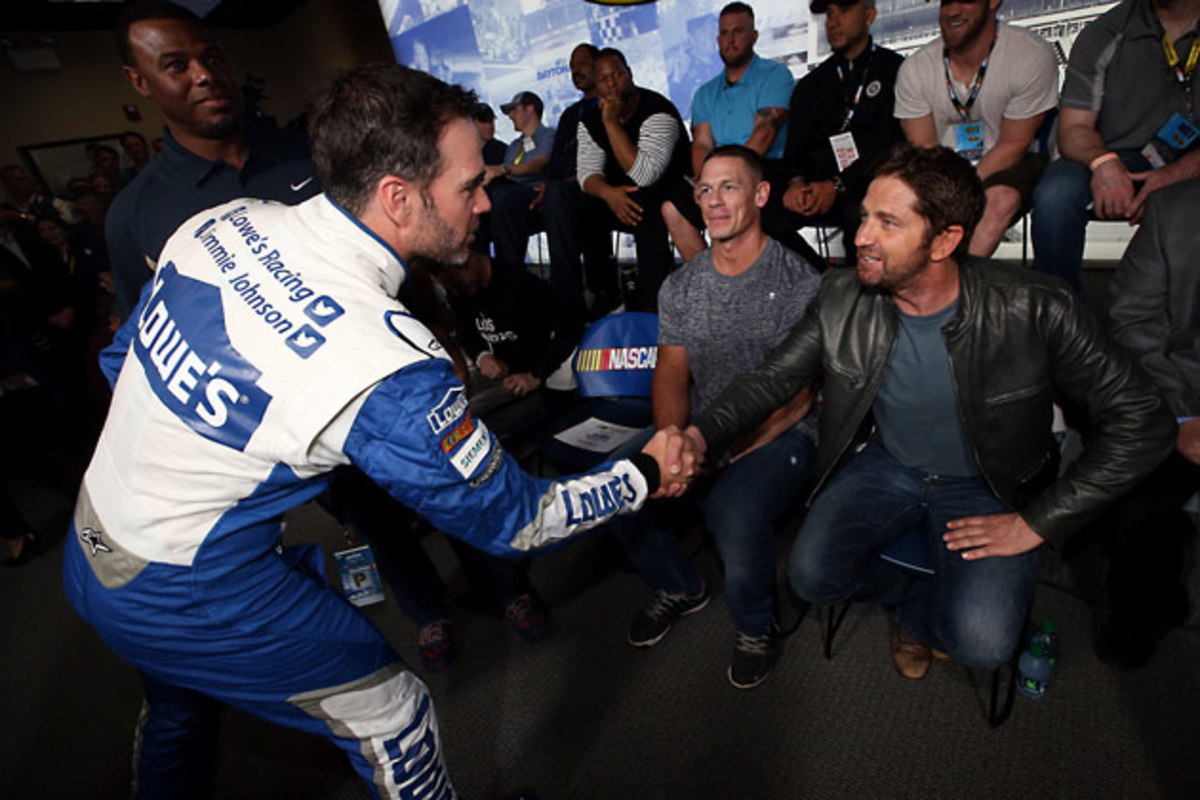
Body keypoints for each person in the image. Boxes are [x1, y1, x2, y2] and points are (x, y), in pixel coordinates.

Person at [62, 63, 680, 799]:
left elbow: (122, 358)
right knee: (395, 713)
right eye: (469, 187)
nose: (487, 203)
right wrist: (643, 471)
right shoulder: (388, 366)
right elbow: (518, 524)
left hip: (93, 538)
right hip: (182, 587)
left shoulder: (217, 226)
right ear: (396, 196)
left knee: (177, 699)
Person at [664, 144, 1176, 681]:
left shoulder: (1036, 307)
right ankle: (910, 601)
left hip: (989, 482)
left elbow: (1145, 422)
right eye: (864, 217)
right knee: (810, 578)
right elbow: (772, 380)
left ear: (945, 240)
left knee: (982, 643)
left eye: (887, 222)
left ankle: (920, 615)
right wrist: (698, 435)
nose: (861, 236)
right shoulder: (843, 295)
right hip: (889, 464)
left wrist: (1036, 523)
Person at [611, 145, 821, 689]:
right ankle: (680, 585)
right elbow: (672, 376)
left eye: (729, 187)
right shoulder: (682, 286)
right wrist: (670, 443)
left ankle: (756, 625)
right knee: (622, 479)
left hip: (783, 432)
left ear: (760, 194)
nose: (714, 201)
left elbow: (796, 398)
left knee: (731, 508)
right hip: (704, 432)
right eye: (705, 189)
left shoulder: (799, 281)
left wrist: (726, 454)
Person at [106, 1, 319, 321]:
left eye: (213, 59)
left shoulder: (316, 153)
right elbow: (147, 334)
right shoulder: (134, 215)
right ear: (139, 81)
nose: (205, 75)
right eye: (177, 66)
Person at [1086, 179, 1200, 669]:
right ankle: (1149, 609)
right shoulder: (1175, 210)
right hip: (1182, 390)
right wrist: (1184, 416)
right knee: (1132, 496)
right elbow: (1132, 320)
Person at [1030, 0, 1200, 294]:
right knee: (1056, 194)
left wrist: (1176, 174)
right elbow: (1073, 129)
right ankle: (1060, 317)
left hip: (1192, 164)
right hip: (1119, 157)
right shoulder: (1106, 31)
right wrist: (1105, 164)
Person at [894, 0, 1058, 257]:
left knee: (999, 199)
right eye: (946, 2)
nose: (952, 10)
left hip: (1010, 161)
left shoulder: (1030, 54)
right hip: (941, 168)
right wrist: (945, 191)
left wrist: (963, 188)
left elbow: (1014, 143)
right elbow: (924, 148)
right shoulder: (915, 68)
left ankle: (960, 279)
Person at [544, 48, 691, 314]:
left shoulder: (657, 110)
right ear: (595, 84)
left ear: (630, 74)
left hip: (667, 193)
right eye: (603, 79)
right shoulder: (589, 120)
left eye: (617, 75)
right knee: (570, 198)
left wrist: (611, 122)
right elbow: (587, 174)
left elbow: (644, 175)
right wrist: (608, 194)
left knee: (645, 203)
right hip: (620, 196)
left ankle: (653, 304)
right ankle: (596, 296)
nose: (611, 84)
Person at [765, 0, 904, 264]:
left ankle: (860, 296)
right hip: (816, 188)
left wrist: (837, 185)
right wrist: (796, 184)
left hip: (868, 183)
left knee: (861, 217)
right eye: (829, 14)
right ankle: (823, 281)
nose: (833, 21)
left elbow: (891, 144)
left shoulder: (895, 70)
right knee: (763, 216)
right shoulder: (811, 84)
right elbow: (795, 150)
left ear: (869, 15)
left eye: (844, 10)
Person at [659, 2, 794, 262]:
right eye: (724, 33)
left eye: (738, 32)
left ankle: (812, 279)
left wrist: (726, 181)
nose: (730, 40)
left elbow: (764, 135)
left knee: (746, 210)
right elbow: (702, 144)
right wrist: (704, 181)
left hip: (765, 168)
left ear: (754, 36)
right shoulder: (705, 93)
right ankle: (711, 281)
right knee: (672, 206)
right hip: (716, 174)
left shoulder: (775, 75)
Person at [486, 91, 555, 266]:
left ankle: (510, 270)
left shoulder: (548, 136)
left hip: (537, 195)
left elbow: (539, 164)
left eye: (514, 110)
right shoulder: (513, 146)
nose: (510, 116)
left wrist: (501, 169)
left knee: (502, 196)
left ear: (530, 109)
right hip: (509, 199)